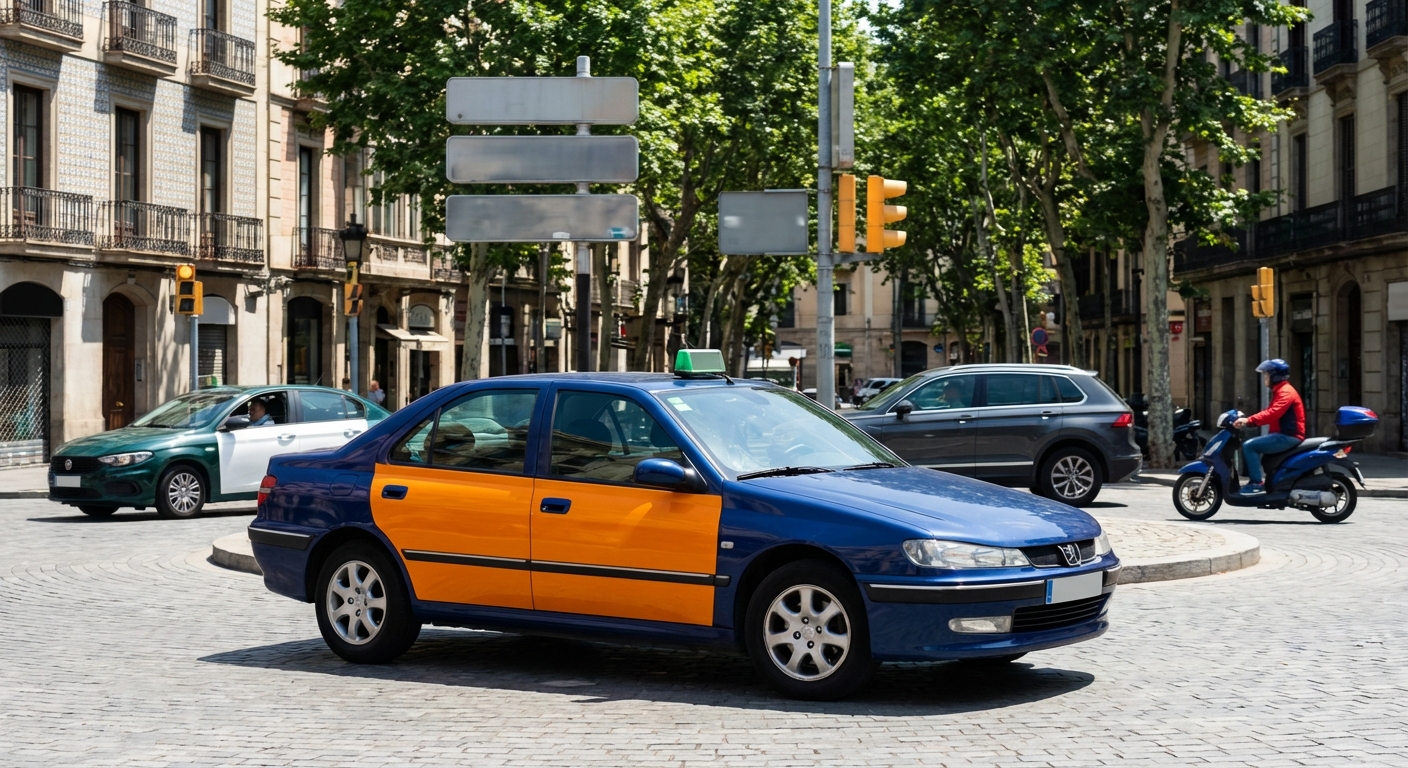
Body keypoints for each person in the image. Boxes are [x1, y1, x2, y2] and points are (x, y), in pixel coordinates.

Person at [1233, 359, 1304, 494]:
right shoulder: (1280, 390)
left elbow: (1273, 413)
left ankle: (1257, 483)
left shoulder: (1285, 392)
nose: (1265, 377)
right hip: (1283, 434)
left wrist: (1248, 420)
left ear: (1275, 376)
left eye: (1267, 374)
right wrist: (1249, 420)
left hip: (1288, 435)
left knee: (1249, 446)